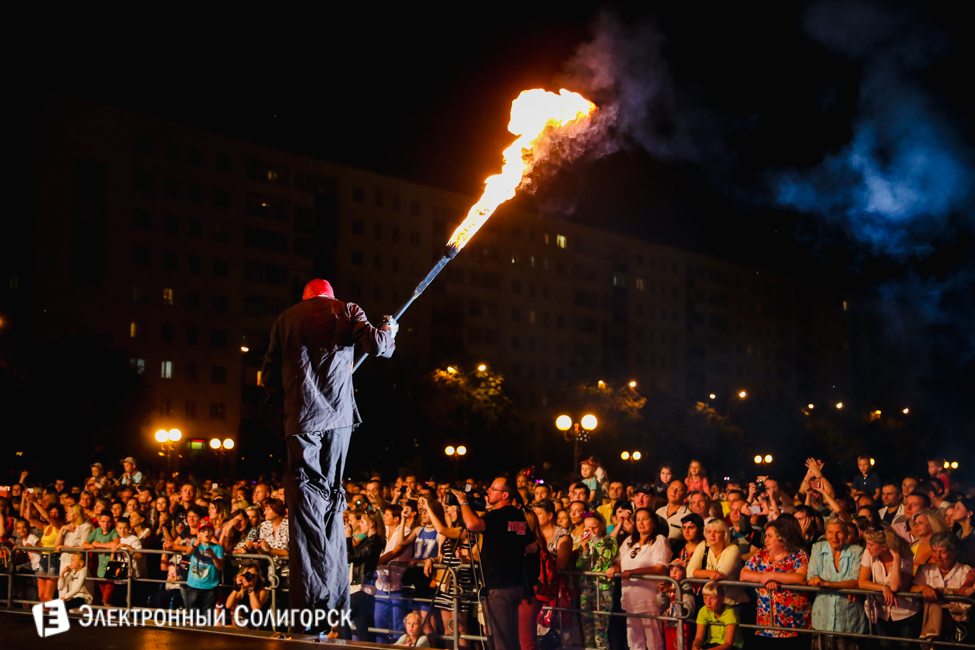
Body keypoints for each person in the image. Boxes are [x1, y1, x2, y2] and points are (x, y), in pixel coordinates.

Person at [261, 277, 397, 622]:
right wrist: (389, 328)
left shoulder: (286, 319)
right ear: (330, 296)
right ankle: (334, 600)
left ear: (305, 298)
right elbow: (380, 346)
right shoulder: (347, 310)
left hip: (302, 420)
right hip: (338, 419)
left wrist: (285, 399)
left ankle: (310, 604)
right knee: (332, 499)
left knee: (306, 503)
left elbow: (267, 376)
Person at [455, 481, 535, 650]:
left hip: (498, 586)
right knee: (511, 639)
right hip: (515, 584)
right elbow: (532, 546)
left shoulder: (499, 514)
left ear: (505, 495)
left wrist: (463, 502)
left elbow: (472, 525)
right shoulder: (517, 515)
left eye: (493, 489)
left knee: (500, 641)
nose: (488, 492)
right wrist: (510, 545)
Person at [740, 518, 812, 648]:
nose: (765, 539)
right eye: (765, 536)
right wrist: (763, 578)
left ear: (783, 537)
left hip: (794, 625)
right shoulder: (761, 554)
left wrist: (772, 575)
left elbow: (802, 578)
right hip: (767, 624)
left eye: (769, 536)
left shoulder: (798, 554)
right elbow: (743, 574)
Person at [607, 507, 671, 650]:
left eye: (645, 519)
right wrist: (615, 569)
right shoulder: (630, 541)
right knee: (634, 640)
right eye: (638, 520)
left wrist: (633, 572)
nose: (641, 523)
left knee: (653, 640)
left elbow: (660, 567)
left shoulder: (659, 540)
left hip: (649, 600)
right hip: (630, 599)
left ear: (653, 523)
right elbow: (619, 562)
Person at [806, 517, 867, 650]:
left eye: (838, 532)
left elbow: (856, 582)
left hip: (849, 619)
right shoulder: (817, 548)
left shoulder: (856, 551)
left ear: (845, 534)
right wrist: (843, 585)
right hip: (823, 617)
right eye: (830, 532)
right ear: (825, 534)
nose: (834, 537)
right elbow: (811, 577)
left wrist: (826, 584)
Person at [858, 525, 920, 647]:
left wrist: (896, 558)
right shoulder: (868, 553)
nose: (867, 547)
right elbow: (862, 582)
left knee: (905, 647)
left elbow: (895, 586)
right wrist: (882, 588)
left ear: (885, 547)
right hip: (881, 612)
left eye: (871, 544)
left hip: (905, 613)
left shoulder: (905, 555)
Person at [910, 531, 974, 642]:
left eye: (942, 552)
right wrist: (924, 588)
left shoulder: (965, 571)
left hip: (958, 625)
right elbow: (912, 589)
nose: (937, 556)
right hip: (925, 620)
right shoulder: (925, 570)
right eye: (934, 551)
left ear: (953, 552)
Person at [576, 513, 617, 650]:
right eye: (587, 528)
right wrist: (585, 551)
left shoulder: (609, 541)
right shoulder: (584, 543)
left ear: (602, 527)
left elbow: (606, 562)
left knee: (600, 632)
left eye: (594, 528)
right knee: (587, 631)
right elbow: (579, 567)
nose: (590, 531)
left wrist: (594, 539)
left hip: (603, 590)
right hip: (586, 589)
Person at [688, 519, 747, 611]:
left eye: (717, 532)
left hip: (731, 604)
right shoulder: (703, 546)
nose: (712, 535)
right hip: (709, 604)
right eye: (709, 532)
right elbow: (689, 572)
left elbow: (721, 574)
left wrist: (700, 575)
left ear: (725, 535)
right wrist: (710, 573)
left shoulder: (733, 550)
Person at [693, 581, 744, 650]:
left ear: (722, 600)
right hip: (710, 644)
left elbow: (728, 644)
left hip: (732, 647)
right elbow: (698, 638)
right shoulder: (703, 611)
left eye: (712, 598)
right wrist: (695, 647)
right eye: (705, 598)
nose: (708, 603)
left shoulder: (730, 613)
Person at [657, 480, 691, 548]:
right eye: (672, 488)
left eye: (678, 490)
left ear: (685, 495)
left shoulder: (688, 515)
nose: (674, 491)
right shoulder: (659, 512)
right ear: (667, 491)